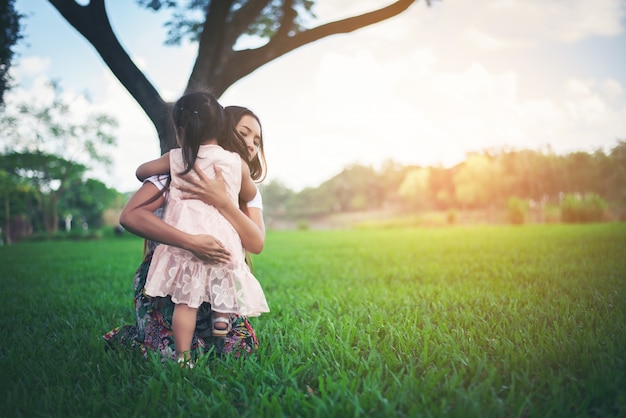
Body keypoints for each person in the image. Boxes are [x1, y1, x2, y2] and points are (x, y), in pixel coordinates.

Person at [103, 103, 268, 363]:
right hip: (173, 277)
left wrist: (222, 201)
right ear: (221, 130)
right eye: (244, 133)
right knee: (170, 354)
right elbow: (130, 216)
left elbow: (256, 243)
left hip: (217, 282)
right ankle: (133, 337)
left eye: (257, 140)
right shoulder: (178, 169)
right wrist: (191, 242)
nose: (251, 144)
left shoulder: (244, 185)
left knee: (240, 351)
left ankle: (206, 330)